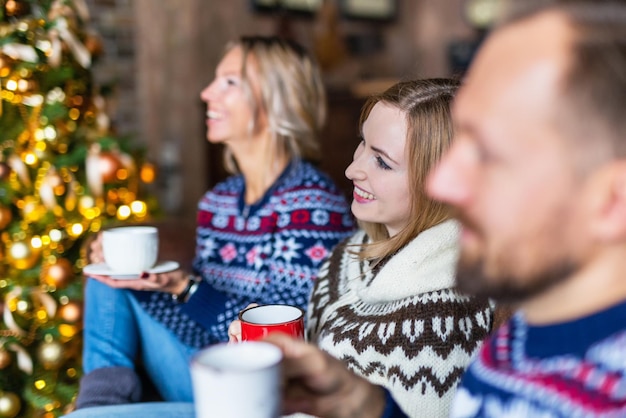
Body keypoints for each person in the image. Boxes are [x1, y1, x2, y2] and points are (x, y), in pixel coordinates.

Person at [261, 0, 626, 417]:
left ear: (613, 200)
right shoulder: (520, 338)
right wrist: (372, 407)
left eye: (490, 155)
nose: (442, 185)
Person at [73, 35, 354, 410]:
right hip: (200, 363)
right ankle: (97, 407)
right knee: (107, 273)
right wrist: (145, 280)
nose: (207, 93)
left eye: (229, 82)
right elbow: (198, 328)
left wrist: (186, 288)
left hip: (257, 387)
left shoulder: (313, 204)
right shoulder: (218, 202)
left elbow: (279, 344)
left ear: (274, 99)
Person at [229, 78, 495, 417]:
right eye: (363, 145)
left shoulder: (442, 318)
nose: (352, 169)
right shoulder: (349, 253)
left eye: (382, 162)